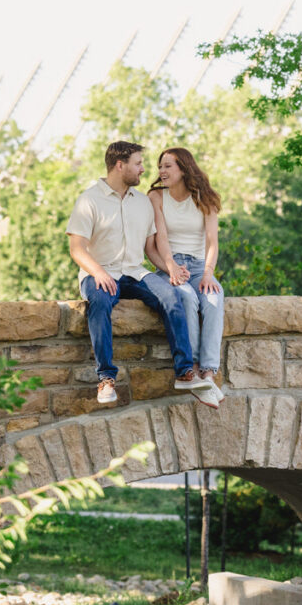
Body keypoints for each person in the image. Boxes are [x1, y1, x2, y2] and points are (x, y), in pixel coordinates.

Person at [66, 141, 218, 407]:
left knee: (172, 296)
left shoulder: (143, 202)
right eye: (138, 163)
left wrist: (169, 268)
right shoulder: (89, 199)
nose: (144, 169)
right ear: (119, 165)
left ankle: (185, 372)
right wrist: (99, 272)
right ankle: (106, 378)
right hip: (100, 273)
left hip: (135, 273)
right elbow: (76, 248)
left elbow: (151, 247)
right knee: (99, 303)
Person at [145, 147, 225, 404]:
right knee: (186, 298)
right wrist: (171, 269)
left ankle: (208, 371)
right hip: (170, 265)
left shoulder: (206, 198)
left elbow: (212, 242)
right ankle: (192, 368)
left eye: (168, 166)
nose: (161, 171)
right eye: (160, 167)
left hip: (201, 266)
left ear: (183, 168)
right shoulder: (156, 197)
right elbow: (161, 238)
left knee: (213, 299)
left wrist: (209, 274)